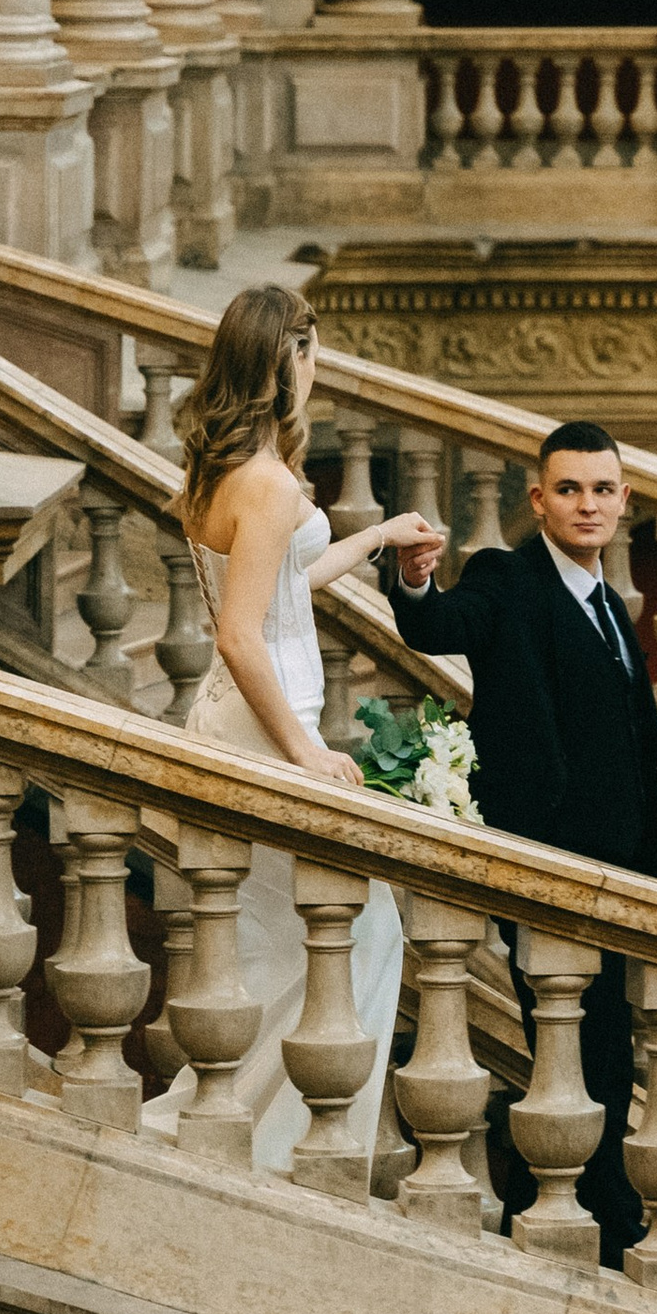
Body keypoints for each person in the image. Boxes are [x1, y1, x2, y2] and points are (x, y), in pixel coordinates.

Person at [387, 419, 657, 1264]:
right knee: (573, 1041)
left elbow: (629, 754)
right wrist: (414, 582)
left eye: (601, 490)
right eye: (569, 489)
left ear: (624, 502)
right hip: (548, 864)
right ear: (538, 500)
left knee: (609, 1048)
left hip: (620, 871)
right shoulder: (508, 579)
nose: (586, 504)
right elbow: (441, 625)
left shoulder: (614, 610)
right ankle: (599, 1217)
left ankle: (576, 1202)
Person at [177, 283, 436, 1171]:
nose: (316, 367)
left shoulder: (225, 470)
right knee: (361, 930)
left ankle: (247, 1135)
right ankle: (294, 1153)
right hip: (262, 727)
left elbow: (279, 584)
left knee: (277, 953)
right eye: (310, 350)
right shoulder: (270, 482)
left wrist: (371, 541)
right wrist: (306, 752)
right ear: (284, 361)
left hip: (234, 716)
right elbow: (240, 633)